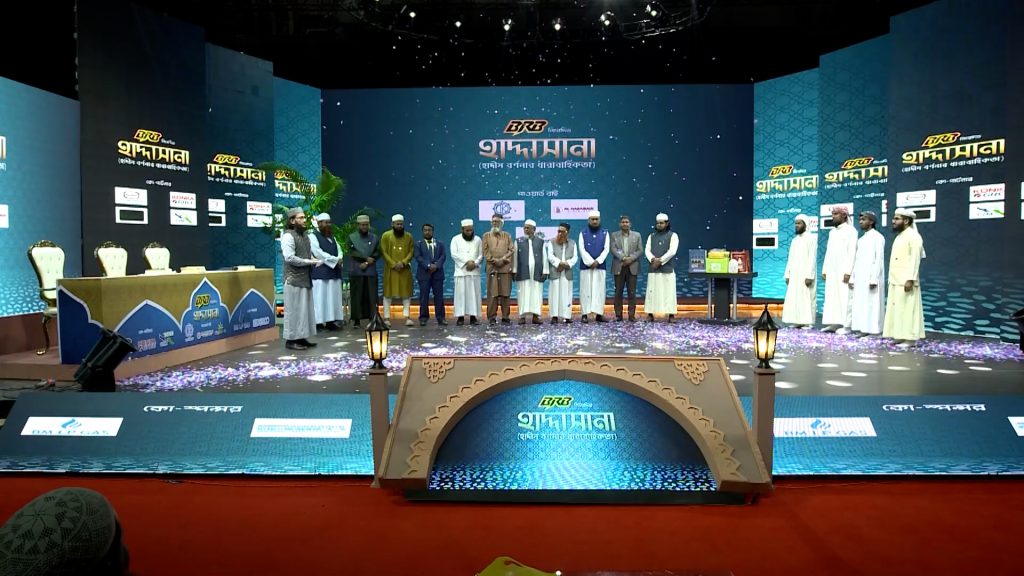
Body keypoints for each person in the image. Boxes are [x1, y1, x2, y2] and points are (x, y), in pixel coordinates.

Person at [883, 208, 926, 346]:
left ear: (906, 220)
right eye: (894, 218)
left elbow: (915, 259)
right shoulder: (900, 236)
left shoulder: (913, 236)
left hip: (906, 280)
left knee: (908, 310)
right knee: (898, 310)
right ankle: (899, 335)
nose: (893, 221)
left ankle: (910, 339)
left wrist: (911, 279)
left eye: (897, 219)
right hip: (896, 279)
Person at [280, 207, 319, 350]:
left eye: (304, 217)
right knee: (294, 311)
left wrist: (313, 259)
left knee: (304, 311)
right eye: (301, 218)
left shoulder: (305, 236)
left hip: (305, 279)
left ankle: (301, 338)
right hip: (293, 279)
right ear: (292, 221)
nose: (304, 220)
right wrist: (308, 262)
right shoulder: (288, 236)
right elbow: (289, 258)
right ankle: (291, 341)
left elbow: (306, 253)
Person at [821, 206, 858, 333]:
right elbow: (828, 252)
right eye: (832, 214)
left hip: (844, 270)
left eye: (836, 214)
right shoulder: (832, 232)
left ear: (844, 215)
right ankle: (834, 323)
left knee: (844, 297)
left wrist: (848, 272)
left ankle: (846, 326)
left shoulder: (851, 231)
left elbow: (852, 252)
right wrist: (825, 269)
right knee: (831, 296)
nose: (833, 217)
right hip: (832, 269)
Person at [848, 211, 885, 336]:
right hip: (860, 277)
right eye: (860, 220)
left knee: (872, 305)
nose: (861, 222)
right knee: (862, 304)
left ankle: (874, 331)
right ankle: (863, 330)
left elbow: (878, 260)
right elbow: (857, 260)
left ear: (871, 221)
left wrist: (874, 278)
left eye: (864, 219)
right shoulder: (861, 240)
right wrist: (852, 277)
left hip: (872, 277)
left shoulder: (878, 237)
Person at [309, 213, 344, 331]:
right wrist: (335, 260)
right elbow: (318, 253)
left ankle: (331, 321)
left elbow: (339, 250)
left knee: (332, 298)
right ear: (319, 224)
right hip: (321, 273)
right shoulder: (313, 236)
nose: (328, 225)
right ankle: (318, 323)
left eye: (329, 222)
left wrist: (339, 258)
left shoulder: (332, 237)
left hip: (334, 272)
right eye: (325, 222)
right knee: (320, 298)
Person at [782, 214, 818, 328]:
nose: (796, 225)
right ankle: (797, 321)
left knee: (807, 297)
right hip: (795, 274)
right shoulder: (795, 240)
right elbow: (790, 258)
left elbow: (812, 258)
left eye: (799, 223)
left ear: (805, 224)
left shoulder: (811, 238)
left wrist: (810, 276)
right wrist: (787, 274)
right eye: (796, 223)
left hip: (806, 274)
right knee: (795, 297)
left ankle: (808, 322)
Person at [346, 214, 381, 329]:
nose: (364, 227)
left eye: (366, 225)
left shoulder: (374, 238)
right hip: (357, 270)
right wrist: (366, 259)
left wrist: (369, 261)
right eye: (362, 225)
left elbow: (378, 252)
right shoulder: (352, 237)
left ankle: (372, 317)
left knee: (371, 296)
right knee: (357, 296)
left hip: (370, 271)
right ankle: (356, 320)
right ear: (358, 225)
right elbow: (352, 252)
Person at [643, 213, 679, 322]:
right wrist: (653, 260)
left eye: (662, 223)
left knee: (669, 292)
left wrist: (661, 261)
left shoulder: (673, 235)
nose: (659, 225)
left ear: (666, 224)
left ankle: (671, 315)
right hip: (653, 268)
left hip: (667, 268)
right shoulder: (651, 236)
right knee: (652, 291)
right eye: (658, 223)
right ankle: (650, 314)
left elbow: (672, 251)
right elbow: (647, 250)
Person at [381, 214, 415, 327]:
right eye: (397, 224)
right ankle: (386, 318)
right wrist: (393, 264)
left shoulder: (409, 236)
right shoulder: (386, 236)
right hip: (391, 270)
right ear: (392, 224)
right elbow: (384, 252)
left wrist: (403, 262)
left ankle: (407, 317)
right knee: (388, 294)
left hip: (404, 269)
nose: (399, 226)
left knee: (406, 294)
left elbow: (411, 251)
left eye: (401, 224)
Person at [513, 219, 548, 324]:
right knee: (523, 293)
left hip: (537, 271)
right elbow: (515, 257)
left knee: (536, 293)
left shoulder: (540, 241)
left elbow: (544, 257)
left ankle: (536, 316)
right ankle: (522, 316)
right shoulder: (518, 241)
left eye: (528, 228)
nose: (526, 229)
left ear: (534, 229)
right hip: (522, 271)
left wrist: (545, 271)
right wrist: (514, 270)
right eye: (525, 228)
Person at [578, 210, 610, 323]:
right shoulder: (583, 233)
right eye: (592, 219)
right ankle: (584, 314)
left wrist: (598, 261)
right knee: (585, 290)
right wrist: (590, 262)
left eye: (596, 219)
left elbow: (606, 249)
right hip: (586, 267)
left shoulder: (605, 233)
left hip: (600, 266)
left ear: (599, 220)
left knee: (599, 290)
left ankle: (599, 314)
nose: (595, 221)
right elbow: (581, 249)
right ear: (589, 220)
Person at [482, 213, 514, 324]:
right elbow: (485, 252)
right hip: (492, 269)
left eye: (497, 221)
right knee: (492, 294)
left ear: (502, 223)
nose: (494, 223)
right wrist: (495, 261)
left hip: (505, 269)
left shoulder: (507, 236)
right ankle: (491, 317)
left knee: (505, 294)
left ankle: (505, 316)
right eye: (493, 221)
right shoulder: (486, 236)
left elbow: (511, 250)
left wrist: (503, 259)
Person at [413, 223, 447, 326]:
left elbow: (443, 256)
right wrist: (428, 266)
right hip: (424, 274)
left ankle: (441, 318)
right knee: (424, 296)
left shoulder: (440, 243)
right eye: (425, 230)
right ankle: (423, 318)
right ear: (422, 231)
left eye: (429, 230)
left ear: (432, 231)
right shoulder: (418, 244)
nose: (427, 232)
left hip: (438, 274)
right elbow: (418, 257)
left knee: (439, 297)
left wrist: (436, 266)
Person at [610, 215, 643, 321]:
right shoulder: (614, 235)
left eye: (627, 222)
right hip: (619, 266)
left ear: (630, 224)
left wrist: (630, 259)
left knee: (632, 292)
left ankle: (631, 315)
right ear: (620, 224)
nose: (625, 224)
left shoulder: (637, 235)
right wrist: (623, 258)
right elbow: (613, 249)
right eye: (623, 222)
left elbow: (640, 250)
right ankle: (618, 315)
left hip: (632, 266)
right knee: (618, 292)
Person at [450, 218, 483, 326]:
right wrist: (466, 262)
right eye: (467, 230)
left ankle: (473, 317)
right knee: (461, 296)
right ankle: (460, 317)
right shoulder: (455, 239)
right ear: (462, 229)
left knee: (474, 295)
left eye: (471, 230)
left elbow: (481, 255)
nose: (469, 232)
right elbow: (454, 254)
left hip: (474, 272)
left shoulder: (478, 240)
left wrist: (475, 263)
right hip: (461, 272)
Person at [545, 222, 577, 324]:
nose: (559, 234)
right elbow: (550, 256)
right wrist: (559, 263)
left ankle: (567, 316)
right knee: (554, 294)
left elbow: (575, 257)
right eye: (558, 231)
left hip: (567, 272)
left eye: (562, 232)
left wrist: (566, 264)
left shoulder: (572, 243)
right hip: (555, 271)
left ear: (567, 232)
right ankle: (554, 316)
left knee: (567, 294)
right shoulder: (552, 242)